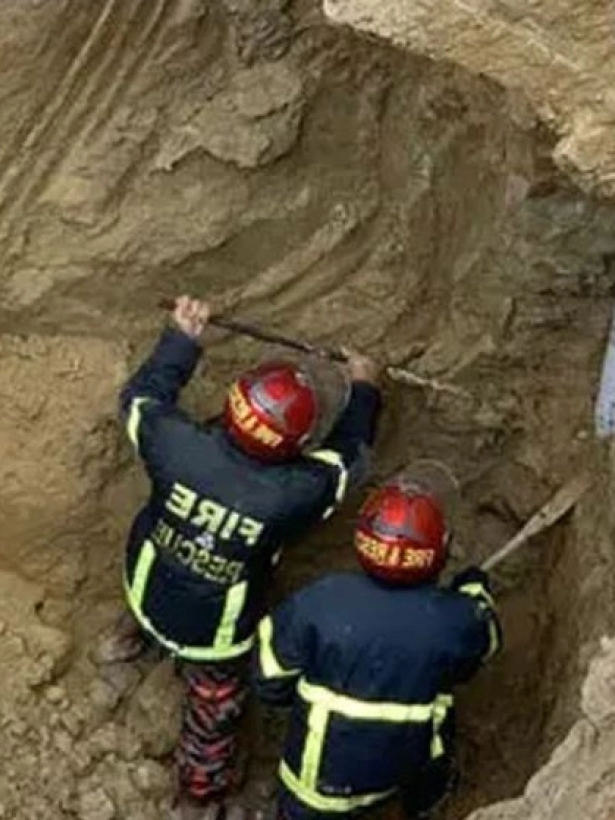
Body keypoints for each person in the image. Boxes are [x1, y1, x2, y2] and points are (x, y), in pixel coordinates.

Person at [104, 295, 383, 819]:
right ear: (298, 445)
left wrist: (181, 340)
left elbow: (141, 399)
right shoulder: (293, 494)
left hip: (146, 585)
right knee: (213, 707)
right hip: (215, 636)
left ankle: (125, 641)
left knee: (161, 586)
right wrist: (364, 390)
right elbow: (350, 461)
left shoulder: (176, 444)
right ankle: (199, 790)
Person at [252, 467, 502, 820]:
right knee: (441, 702)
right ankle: (426, 804)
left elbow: (268, 679)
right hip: (395, 778)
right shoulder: (454, 619)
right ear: (438, 549)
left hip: (315, 785)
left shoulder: (323, 599)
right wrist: (474, 593)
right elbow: (485, 645)